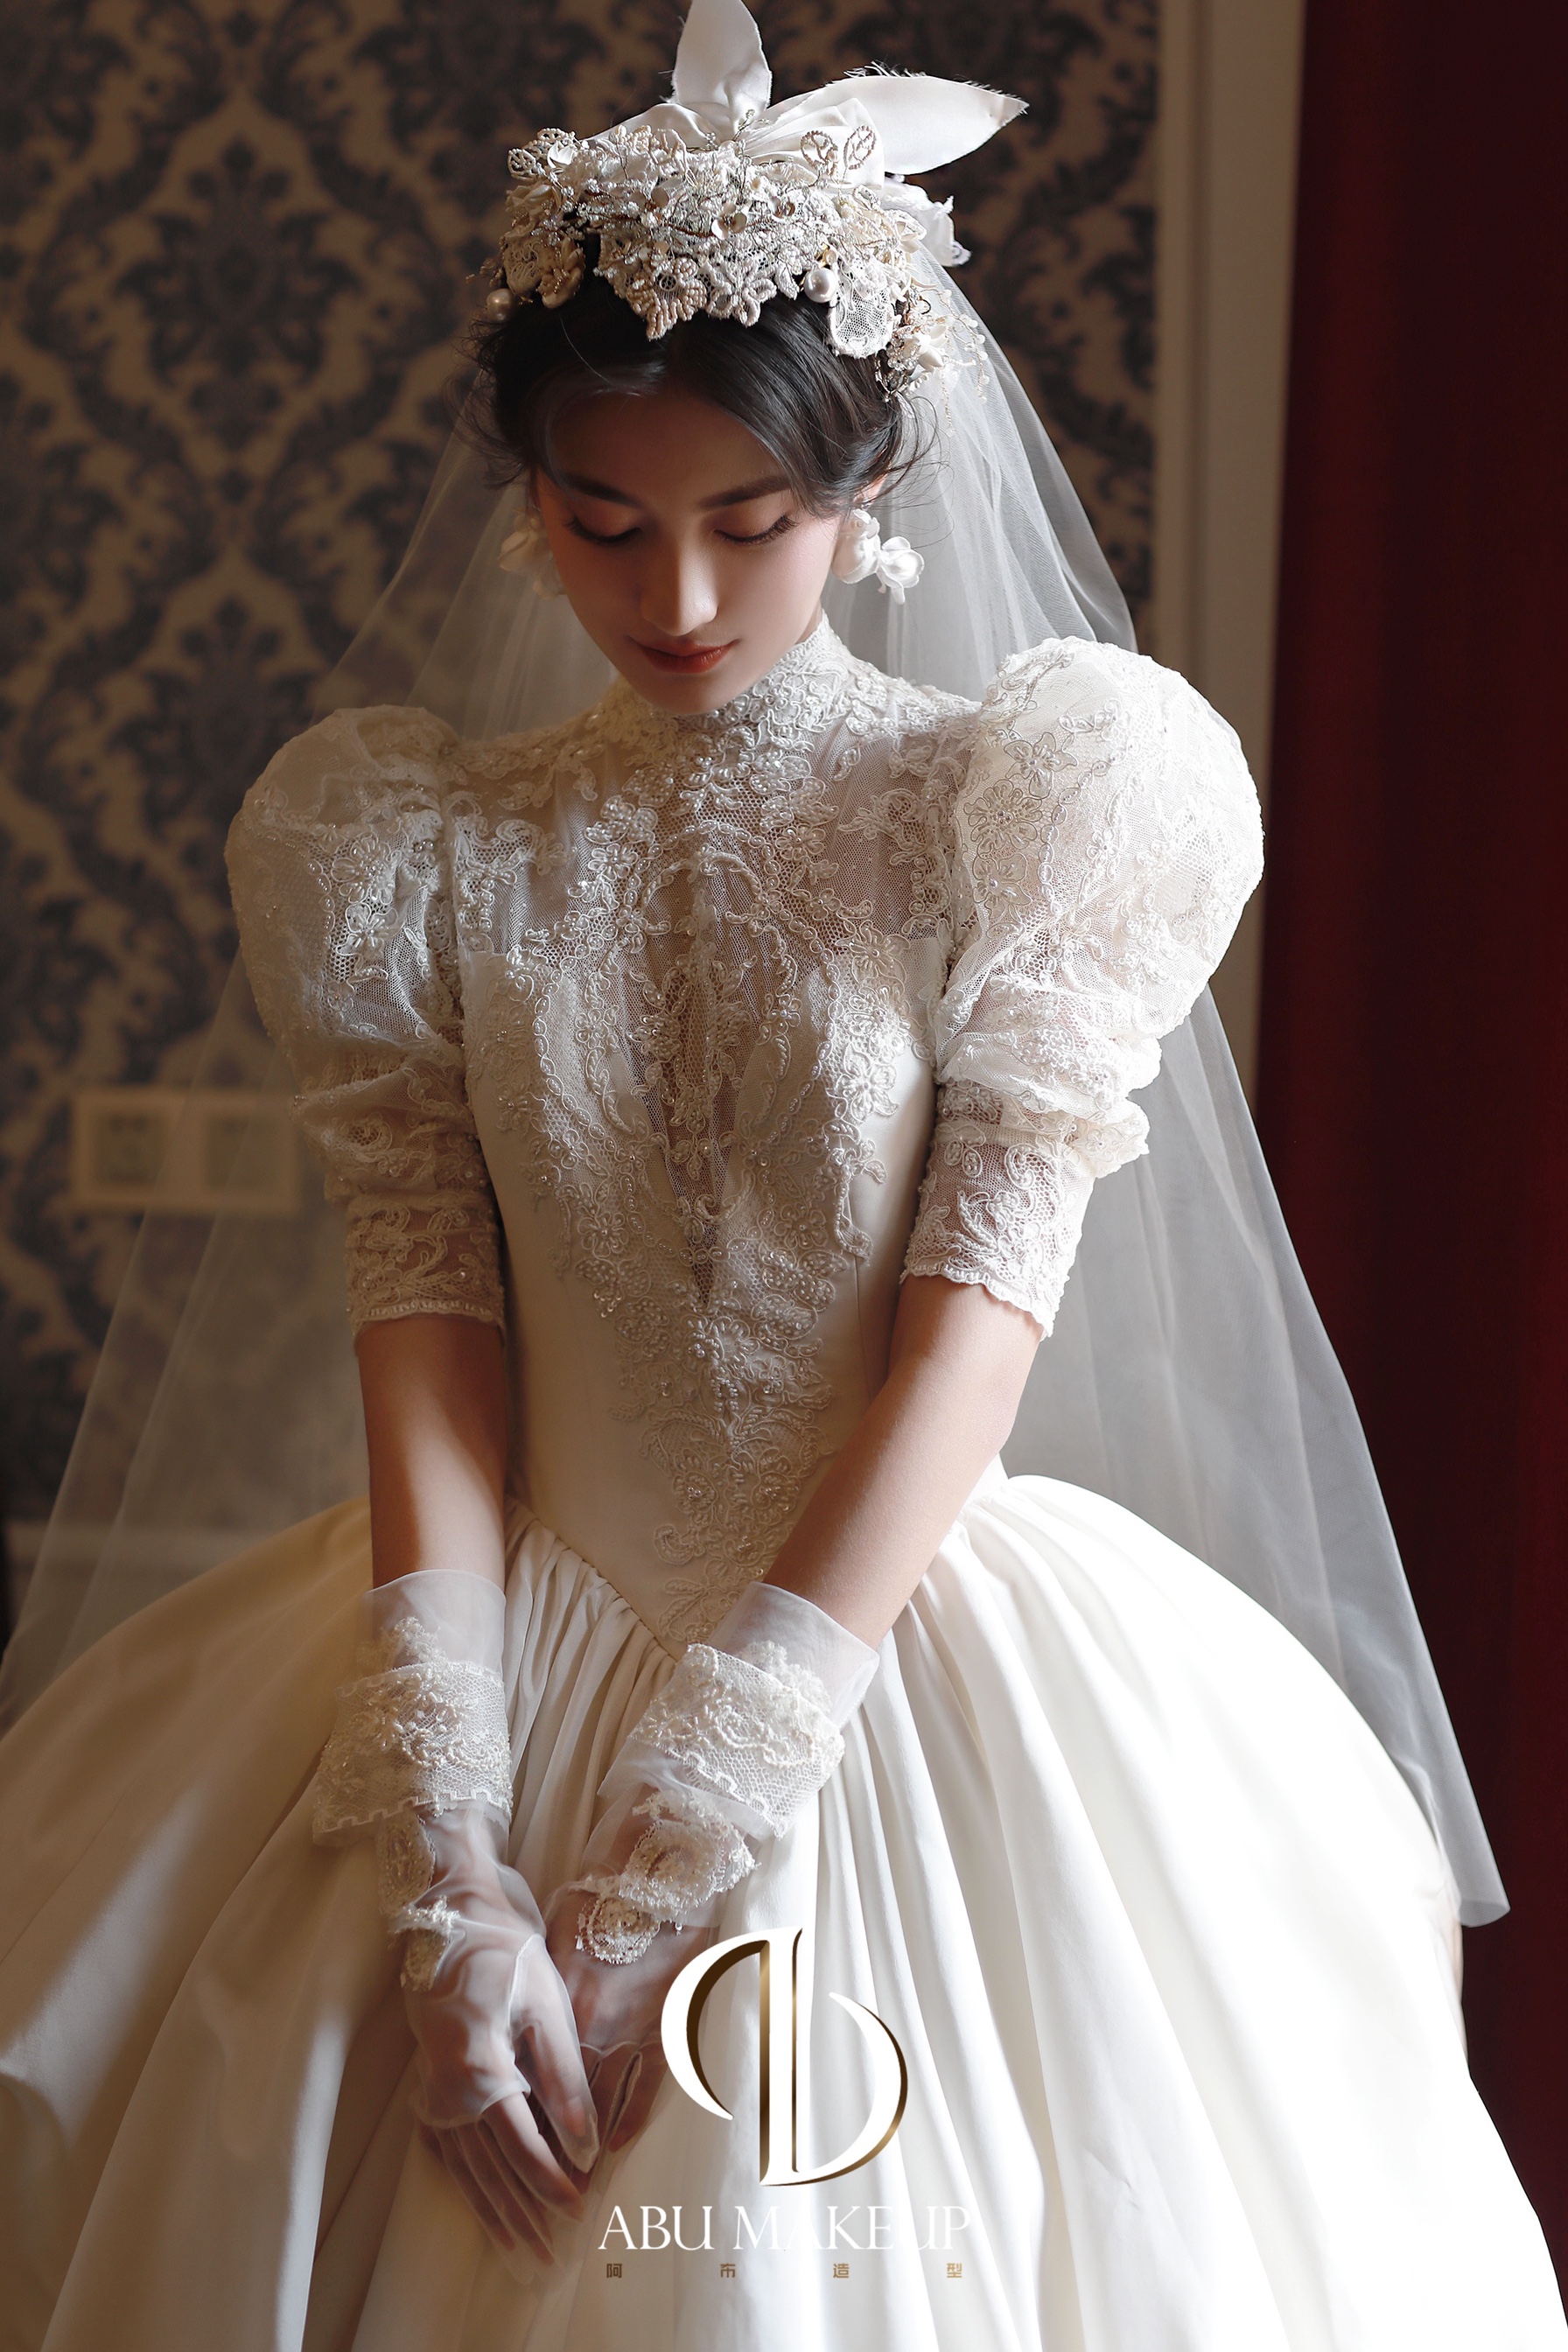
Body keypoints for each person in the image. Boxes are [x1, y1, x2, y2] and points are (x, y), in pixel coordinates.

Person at [1, 4, 1563, 2345]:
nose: (681, 600)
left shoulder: (1014, 817)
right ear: (529, 500)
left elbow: (966, 1344)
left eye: (752, 526)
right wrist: (452, 1856)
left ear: (868, 488)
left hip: (878, 1652)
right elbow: (431, 1345)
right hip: (494, 1637)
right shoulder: (416, 850)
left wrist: (691, 1827)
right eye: (605, 524)